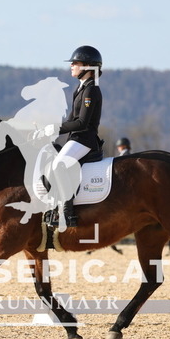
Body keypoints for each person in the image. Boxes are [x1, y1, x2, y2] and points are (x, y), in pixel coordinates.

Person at [51, 45, 103, 228]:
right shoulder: (80, 89)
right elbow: (70, 120)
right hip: (75, 139)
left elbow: (82, 123)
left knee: (59, 165)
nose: (71, 65)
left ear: (88, 66)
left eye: (75, 62)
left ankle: (66, 213)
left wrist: (54, 128)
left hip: (85, 140)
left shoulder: (91, 90)